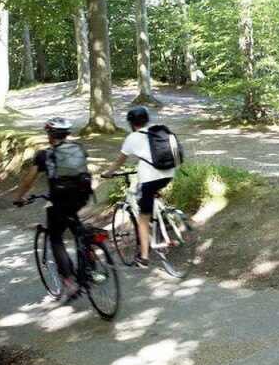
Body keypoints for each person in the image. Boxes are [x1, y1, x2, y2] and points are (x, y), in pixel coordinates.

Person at [14, 117, 92, 304]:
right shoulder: (79, 149)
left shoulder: (45, 155)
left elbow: (28, 181)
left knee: (55, 236)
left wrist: (19, 198)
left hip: (59, 200)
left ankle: (69, 281)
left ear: (49, 135)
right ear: (66, 134)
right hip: (81, 197)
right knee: (77, 229)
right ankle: (92, 257)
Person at [100, 105, 175, 268]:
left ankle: (144, 257)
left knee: (143, 217)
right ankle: (163, 225)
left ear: (131, 123)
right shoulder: (156, 131)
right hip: (169, 172)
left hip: (150, 179)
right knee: (152, 201)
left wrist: (108, 172)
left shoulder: (133, 138)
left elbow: (119, 161)